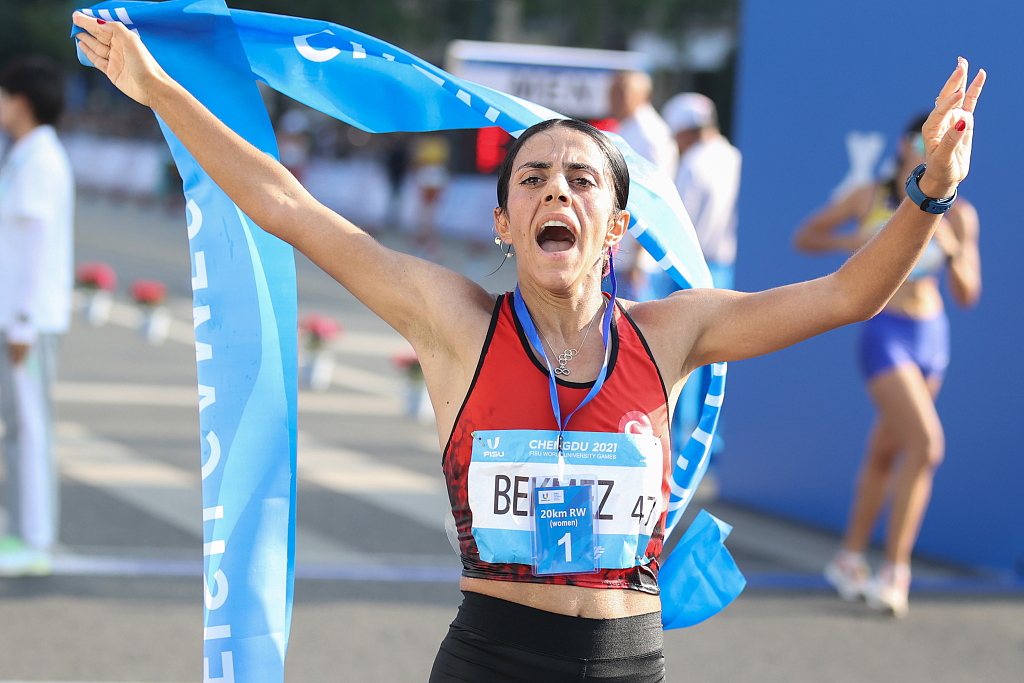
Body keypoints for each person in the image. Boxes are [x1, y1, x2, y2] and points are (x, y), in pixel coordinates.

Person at [73, 13, 983, 679]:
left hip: (629, 662)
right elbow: (287, 206)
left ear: (616, 224)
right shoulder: (453, 320)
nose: (558, 191)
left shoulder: (675, 332)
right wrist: (157, 88)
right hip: (490, 661)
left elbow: (848, 293)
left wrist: (930, 193)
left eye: (582, 178)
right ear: (505, 222)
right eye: (534, 178)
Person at [793, 113, 982, 618]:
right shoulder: (871, 197)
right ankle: (897, 570)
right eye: (925, 139)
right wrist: (853, 246)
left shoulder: (959, 214)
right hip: (885, 334)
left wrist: (952, 248)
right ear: (904, 146)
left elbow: (967, 294)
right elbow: (806, 237)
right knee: (926, 444)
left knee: (886, 451)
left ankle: (848, 559)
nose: (933, 147)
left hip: (932, 335)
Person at [0, 55, 75, 577]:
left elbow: (36, 247)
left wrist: (22, 322)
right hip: (18, 316)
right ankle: (23, 531)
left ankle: (37, 540)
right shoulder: (26, 154)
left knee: (31, 427)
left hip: (29, 319)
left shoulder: (40, 160)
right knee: (18, 429)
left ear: (20, 101)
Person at [609, 71, 678, 299]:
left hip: (634, 265)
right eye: (612, 91)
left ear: (643, 95)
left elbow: (653, 198)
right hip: (619, 256)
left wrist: (639, 259)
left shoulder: (650, 135)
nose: (614, 98)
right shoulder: (630, 128)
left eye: (622, 92)